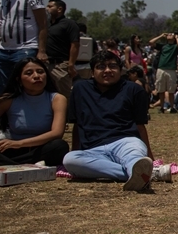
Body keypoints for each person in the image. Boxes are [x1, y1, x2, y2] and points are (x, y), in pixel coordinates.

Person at [64, 52, 171, 189]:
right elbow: (77, 125)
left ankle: (138, 170)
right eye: (101, 67)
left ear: (121, 71)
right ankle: (145, 173)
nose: (107, 70)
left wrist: (151, 158)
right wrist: (75, 149)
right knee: (70, 160)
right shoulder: (80, 89)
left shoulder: (134, 90)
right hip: (93, 148)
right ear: (92, 72)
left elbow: (140, 125)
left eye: (113, 66)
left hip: (125, 142)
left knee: (134, 153)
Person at [0, 57, 69, 167]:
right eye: (29, 73)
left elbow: (57, 133)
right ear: (19, 79)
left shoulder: (57, 99)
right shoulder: (7, 100)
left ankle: (11, 166)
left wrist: (19, 143)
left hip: (40, 149)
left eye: (40, 72)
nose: (36, 76)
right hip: (11, 149)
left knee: (59, 146)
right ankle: (24, 166)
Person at [0, 0, 48, 95]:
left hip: (25, 49)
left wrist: (41, 51)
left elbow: (43, 24)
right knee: (2, 89)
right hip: (3, 50)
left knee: (25, 88)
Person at [44, 0, 80, 99]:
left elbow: (75, 45)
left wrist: (71, 64)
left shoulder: (69, 24)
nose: (47, 9)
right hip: (45, 64)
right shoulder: (46, 25)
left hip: (60, 65)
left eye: (50, 7)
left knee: (64, 95)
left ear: (59, 9)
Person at [150, 32, 178, 113]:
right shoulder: (163, 46)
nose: (169, 35)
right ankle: (162, 107)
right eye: (168, 34)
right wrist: (161, 36)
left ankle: (172, 107)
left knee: (171, 90)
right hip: (161, 68)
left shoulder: (175, 47)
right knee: (161, 90)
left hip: (171, 69)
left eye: (171, 34)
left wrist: (176, 37)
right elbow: (151, 42)